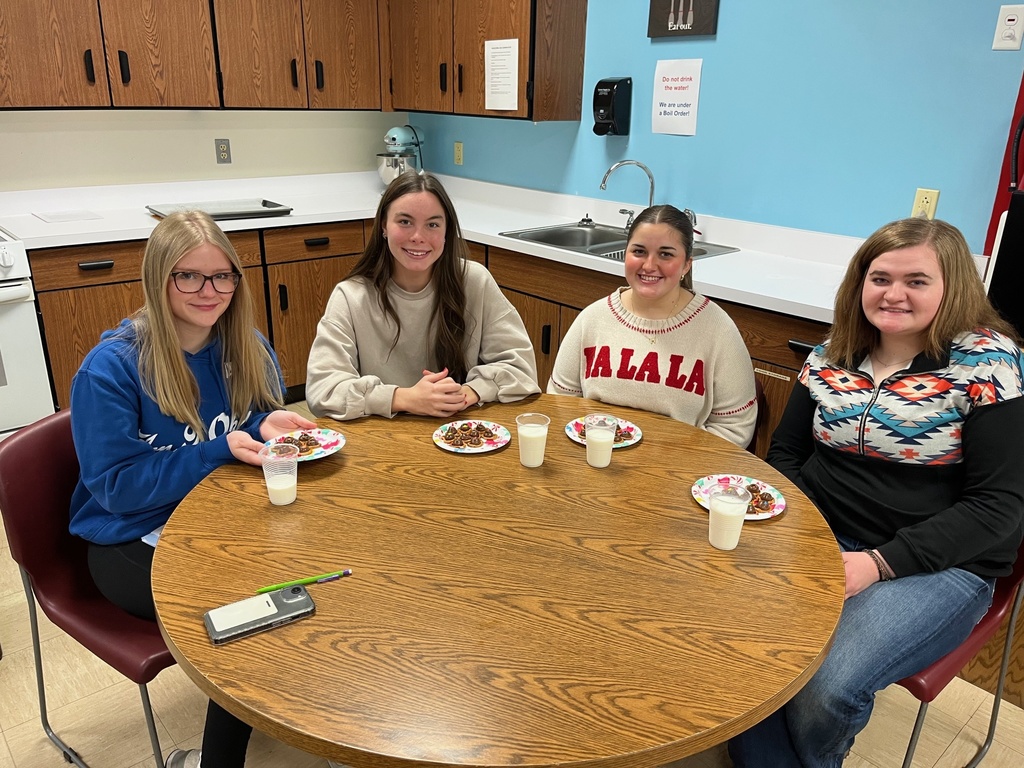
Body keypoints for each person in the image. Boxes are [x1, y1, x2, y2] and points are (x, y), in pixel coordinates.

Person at [728, 218, 1024, 767]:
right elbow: (788, 455)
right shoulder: (833, 352)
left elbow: (998, 508)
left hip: (939, 563)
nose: (893, 294)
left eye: (916, 280)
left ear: (952, 287)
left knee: (828, 684)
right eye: (880, 277)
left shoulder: (986, 363)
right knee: (735, 627)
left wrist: (878, 564)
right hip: (823, 535)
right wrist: (796, 538)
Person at [68, 211, 317, 768]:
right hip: (127, 537)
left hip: (214, 517)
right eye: (189, 276)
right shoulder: (111, 369)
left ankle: (313, 716)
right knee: (250, 611)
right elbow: (115, 489)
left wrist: (264, 426)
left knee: (322, 567)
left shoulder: (246, 346)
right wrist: (219, 450)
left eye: (222, 276)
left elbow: (244, 428)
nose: (210, 291)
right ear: (159, 280)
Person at [306, 171, 540, 419]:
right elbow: (322, 389)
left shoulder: (475, 282)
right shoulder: (351, 297)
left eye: (432, 224)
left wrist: (468, 392)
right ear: (384, 226)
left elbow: (522, 368)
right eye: (405, 222)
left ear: (447, 231)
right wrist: (403, 398)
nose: (418, 237)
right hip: (382, 439)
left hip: (459, 432)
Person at [547, 204, 757, 447]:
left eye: (666, 254)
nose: (649, 265)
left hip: (677, 475)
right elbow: (560, 403)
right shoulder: (592, 319)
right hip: (594, 462)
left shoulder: (718, 330)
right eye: (639, 251)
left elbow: (735, 427)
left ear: (687, 264)